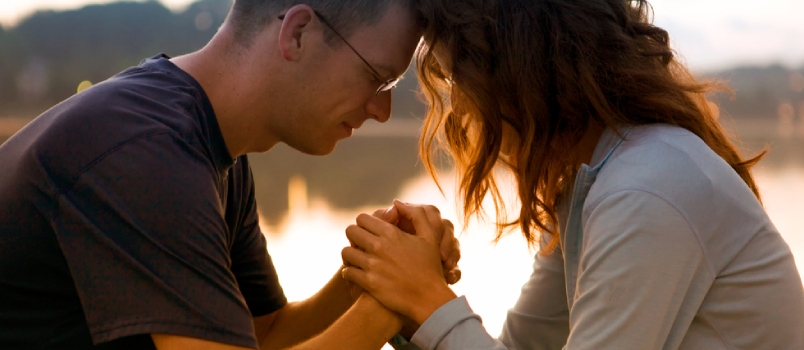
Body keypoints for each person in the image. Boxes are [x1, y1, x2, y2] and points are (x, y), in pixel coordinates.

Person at [341, 0, 804, 349]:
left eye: (457, 80)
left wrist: (428, 300)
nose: (461, 113)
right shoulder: (594, 185)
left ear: (513, 73)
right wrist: (402, 293)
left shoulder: (649, 187)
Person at [0, 0, 461, 349]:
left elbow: (266, 332)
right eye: (377, 78)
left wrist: (370, 272)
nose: (381, 111)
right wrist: (394, 301)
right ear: (297, 34)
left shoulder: (210, 149)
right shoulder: (146, 155)